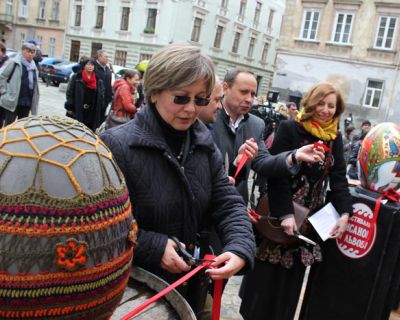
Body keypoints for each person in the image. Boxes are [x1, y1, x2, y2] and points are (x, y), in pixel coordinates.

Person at [100, 43, 255, 316]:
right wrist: (152, 246)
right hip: (134, 292)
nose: (191, 109)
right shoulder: (117, 144)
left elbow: (227, 201)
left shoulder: (203, 142)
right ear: (155, 92)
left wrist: (240, 247)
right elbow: (101, 225)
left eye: (201, 99)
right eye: (181, 98)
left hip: (190, 286)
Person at [240, 82, 353, 320]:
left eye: (331, 106)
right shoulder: (291, 128)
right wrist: (286, 214)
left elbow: (339, 179)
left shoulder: (335, 138)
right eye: (321, 103)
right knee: (263, 288)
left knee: (288, 292)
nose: (325, 110)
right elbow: (276, 175)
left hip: (307, 223)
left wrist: (345, 214)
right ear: (311, 102)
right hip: (279, 214)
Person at [213, 68, 321, 205]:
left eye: (253, 94)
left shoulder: (256, 124)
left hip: (235, 205)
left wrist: (294, 156)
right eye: (243, 92)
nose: (249, 99)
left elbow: (263, 162)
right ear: (225, 88)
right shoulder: (209, 115)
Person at [0, 42, 39, 126]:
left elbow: (35, 86)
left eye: (32, 52)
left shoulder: (34, 67)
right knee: (9, 127)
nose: (30, 54)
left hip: (26, 103)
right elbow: (2, 77)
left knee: (21, 128)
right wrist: (3, 91)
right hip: (13, 101)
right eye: (28, 51)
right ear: (22, 51)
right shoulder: (15, 63)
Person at [65, 57, 105, 131]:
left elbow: (101, 95)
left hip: (92, 111)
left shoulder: (98, 80)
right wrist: (70, 107)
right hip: (78, 109)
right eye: (88, 64)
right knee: (76, 130)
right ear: (84, 65)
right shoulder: (76, 77)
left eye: (92, 65)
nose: (90, 66)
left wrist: (101, 107)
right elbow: (70, 92)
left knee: (89, 131)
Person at [94, 50, 113, 121]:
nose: (107, 58)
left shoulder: (108, 70)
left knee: (101, 119)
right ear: (99, 57)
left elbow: (109, 85)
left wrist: (109, 98)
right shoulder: (94, 67)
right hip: (95, 99)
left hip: (105, 100)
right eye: (106, 57)